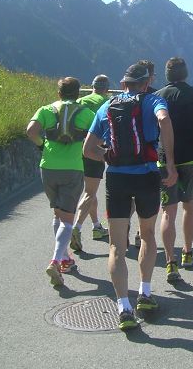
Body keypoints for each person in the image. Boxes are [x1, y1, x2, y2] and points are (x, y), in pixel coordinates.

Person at [83, 63, 177, 331]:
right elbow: (164, 120)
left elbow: (88, 149)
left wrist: (109, 155)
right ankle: (145, 293)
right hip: (147, 175)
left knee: (116, 246)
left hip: (117, 179)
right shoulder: (153, 101)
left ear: (123, 84)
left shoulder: (107, 106)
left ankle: (123, 307)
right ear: (146, 83)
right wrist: (170, 163)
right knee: (147, 235)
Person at [26, 77, 95, 287]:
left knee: (57, 213)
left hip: (48, 167)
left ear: (58, 93)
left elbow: (31, 131)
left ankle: (65, 258)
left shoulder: (46, 110)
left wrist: (42, 145)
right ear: (78, 94)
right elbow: (98, 136)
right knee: (67, 218)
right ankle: (56, 261)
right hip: (72, 168)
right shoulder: (86, 113)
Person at [155, 57, 193, 282]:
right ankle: (187, 252)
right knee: (189, 205)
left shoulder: (157, 95)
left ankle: (170, 262)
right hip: (191, 156)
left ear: (167, 74)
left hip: (164, 159)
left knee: (168, 212)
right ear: (186, 73)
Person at [69, 75, 111, 252]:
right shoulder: (106, 102)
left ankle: (96, 226)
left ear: (92, 86)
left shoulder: (80, 101)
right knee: (89, 193)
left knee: (89, 190)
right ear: (107, 88)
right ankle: (76, 227)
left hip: (76, 151)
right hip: (94, 150)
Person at [130, 59, 157, 249]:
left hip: (124, 156)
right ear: (151, 77)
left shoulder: (120, 99)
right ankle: (141, 234)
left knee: (129, 198)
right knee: (145, 200)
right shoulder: (155, 97)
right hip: (148, 156)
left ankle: (122, 228)